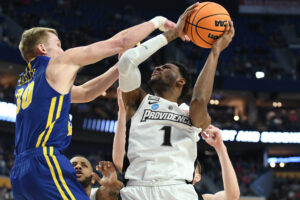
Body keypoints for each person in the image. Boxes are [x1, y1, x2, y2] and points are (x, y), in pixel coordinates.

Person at [10, 15, 178, 199]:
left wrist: (119, 67)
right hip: (43, 162)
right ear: (42, 48)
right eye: (58, 45)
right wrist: (158, 23)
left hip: (20, 173)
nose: (63, 50)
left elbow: (85, 93)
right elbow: (121, 42)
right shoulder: (57, 63)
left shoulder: (26, 82)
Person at [114, 2, 235, 199]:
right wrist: (174, 33)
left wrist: (215, 52)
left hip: (178, 190)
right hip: (137, 189)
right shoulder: (137, 101)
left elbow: (200, 100)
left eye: (166, 67)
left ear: (181, 81)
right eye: (159, 67)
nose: (158, 68)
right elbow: (127, 62)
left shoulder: (190, 113)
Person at [193, 125, 240, 200]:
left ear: (197, 177)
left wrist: (220, 148)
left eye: (189, 166)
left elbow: (231, 196)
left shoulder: (201, 198)